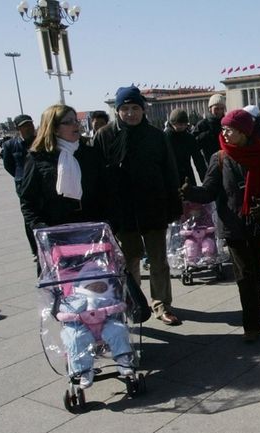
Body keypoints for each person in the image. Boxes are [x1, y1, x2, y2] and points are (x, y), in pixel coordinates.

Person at [181, 109, 260, 342]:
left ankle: (255, 305)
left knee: (257, 270)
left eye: (230, 130)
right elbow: (208, 191)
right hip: (234, 225)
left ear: (244, 132)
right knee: (244, 274)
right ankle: (251, 325)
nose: (225, 134)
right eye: (224, 129)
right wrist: (190, 192)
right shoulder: (219, 158)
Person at [93, 85, 183, 326]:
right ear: (117, 110)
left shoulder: (156, 136)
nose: (130, 113)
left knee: (158, 260)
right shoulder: (105, 136)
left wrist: (174, 205)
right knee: (128, 260)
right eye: (125, 108)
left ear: (143, 110)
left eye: (135, 108)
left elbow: (169, 173)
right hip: (122, 211)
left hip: (153, 206)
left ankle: (162, 304)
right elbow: (97, 178)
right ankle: (133, 302)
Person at [19, 104, 107, 234]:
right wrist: (38, 226)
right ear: (54, 128)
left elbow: (106, 191)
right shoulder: (38, 158)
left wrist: (110, 221)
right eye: (68, 122)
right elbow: (28, 200)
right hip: (55, 231)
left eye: (75, 120)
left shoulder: (90, 154)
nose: (75, 125)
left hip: (93, 228)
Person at [56, 273, 135, 389]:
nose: (97, 288)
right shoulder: (74, 301)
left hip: (106, 322)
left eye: (101, 286)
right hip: (79, 325)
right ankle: (84, 370)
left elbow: (120, 306)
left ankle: (123, 359)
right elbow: (61, 315)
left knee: (118, 330)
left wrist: (116, 307)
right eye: (93, 286)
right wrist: (69, 316)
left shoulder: (107, 298)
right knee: (74, 339)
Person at [3, 114, 37, 255]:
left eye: (30, 124)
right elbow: (8, 165)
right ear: (18, 129)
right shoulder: (10, 145)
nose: (29, 128)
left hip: (39, 183)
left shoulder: (39, 141)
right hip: (22, 185)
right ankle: (35, 250)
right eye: (25, 126)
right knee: (29, 217)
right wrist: (21, 178)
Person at [165, 108, 207, 186]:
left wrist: (205, 178)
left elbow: (198, 159)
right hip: (170, 176)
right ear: (172, 123)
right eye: (180, 124)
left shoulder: (189, 138)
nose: (183, 127)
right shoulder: (165, 137)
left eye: (185, 124)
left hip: (187, 175)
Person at [193, 94, 226, 163]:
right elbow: (194, 145)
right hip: (210, 162)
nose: (219, 111)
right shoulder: (202, 124)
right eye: (216, 108)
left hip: (227, 162)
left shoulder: (227, 123)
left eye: (222, 108)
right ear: (210, 109)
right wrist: (206, 135)